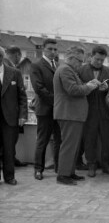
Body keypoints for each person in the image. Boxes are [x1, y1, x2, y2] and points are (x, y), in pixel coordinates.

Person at [53, 46, 99, 185]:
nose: (81, 64)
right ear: (71, 58)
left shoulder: (69, 69)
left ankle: (69, 172)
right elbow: (73, 90)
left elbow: (76, 87)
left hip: (73, 114)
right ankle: (63, 175)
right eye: (79, 61)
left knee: (73, 146)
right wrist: (90, 87)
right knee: (69, 145)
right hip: (69, 114)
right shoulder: (65, 69)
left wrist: (89, 84)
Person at [79, 45, 109, 177]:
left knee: (107, 139)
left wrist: (106, 89)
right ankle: (91, 165)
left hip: (105, 112)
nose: (100, 62)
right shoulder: (81, 70)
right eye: (97, 59)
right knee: (90, 139)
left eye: (102, 60)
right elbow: (77, 89)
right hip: (88, 111)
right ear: (90, 56)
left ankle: (106, 165)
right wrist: (88, 86)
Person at [31, 38, 61, 180]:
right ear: (43, 49)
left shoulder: (58, 65)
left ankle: (58, 167)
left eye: (55, 49)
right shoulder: (36, 65)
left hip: (58, 110)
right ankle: (38, 169)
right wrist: (57, 101)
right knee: (42, 139)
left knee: (58, 139)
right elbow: (39, 88)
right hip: (45, 108)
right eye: (50, 49)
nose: (53, 52)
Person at [0, 47, 27, 185]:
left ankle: (9, 177)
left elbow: (22, 96)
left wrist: (23, 115)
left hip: (10, 118)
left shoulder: (14, 73)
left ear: (2, 57)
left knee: (9, 149)